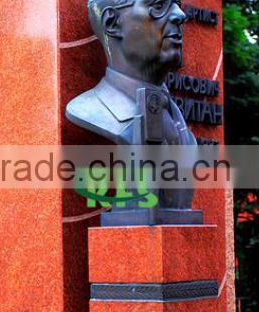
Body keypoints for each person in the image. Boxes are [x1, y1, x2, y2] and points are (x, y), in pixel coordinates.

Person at [66, 0, 202, 225]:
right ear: (112, 23)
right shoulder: (89, 110)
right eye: (159, 5)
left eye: (176, 4)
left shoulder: (177, 120)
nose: (180, 15)